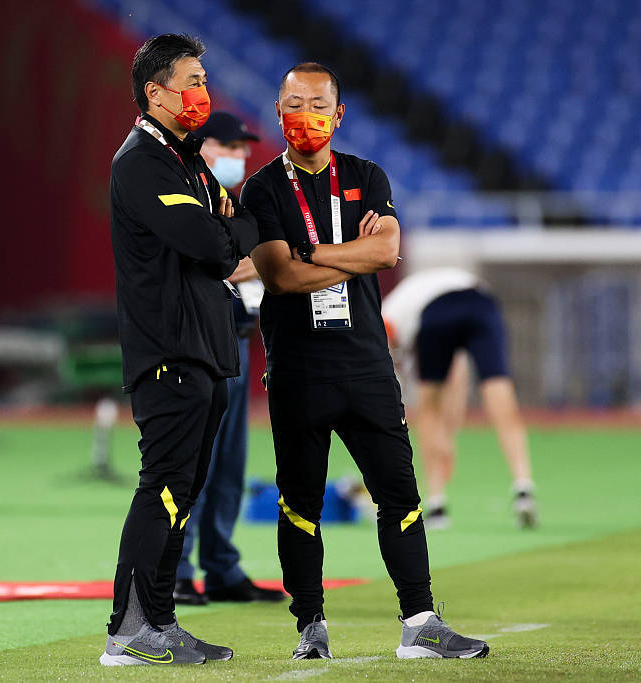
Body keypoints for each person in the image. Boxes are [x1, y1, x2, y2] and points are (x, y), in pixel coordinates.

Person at [241, 62, 489, 661]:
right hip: (298, 369)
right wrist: (350, 252)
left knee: (400, 494)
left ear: (339, 113)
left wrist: (310, 252)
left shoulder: (365, 175)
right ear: (277, 111)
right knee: (300, 504)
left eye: (318, 104)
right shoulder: (262, 189)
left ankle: (420, 623)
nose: (306, 116)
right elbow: (279, 276)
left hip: (367, 367)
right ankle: (310, 628)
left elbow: (387, 250)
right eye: (294, 104)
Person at [100, 34, 258, 667]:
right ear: (154, 92)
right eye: (192, 82)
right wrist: (230, 228)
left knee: (183, 493)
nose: (202, 93)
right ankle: (128, 631)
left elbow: (234, 224)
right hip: (169, 351)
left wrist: (228, 225)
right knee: (164, 487)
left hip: (205, 348)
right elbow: (214, 246)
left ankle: (159, 623)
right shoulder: (142, 161)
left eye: (203, 81)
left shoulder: (185, 158)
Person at [173, 112, 284, 606]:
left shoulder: (230, 202)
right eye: (230, 146)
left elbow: (246, 262)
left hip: (237, 337)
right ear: (203, 146)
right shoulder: (189, 195)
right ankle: (177, 569)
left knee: (229, 463)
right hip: (200, 339)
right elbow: (219, 262)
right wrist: (259, 261)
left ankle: (220, 566)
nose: (239, 156)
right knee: (197, 458)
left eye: (243, 148)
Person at [382, 268, 537, 530]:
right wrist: (448, 437)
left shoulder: (387, 316)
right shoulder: (418, 296)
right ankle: (524, 488)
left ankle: (436, 502)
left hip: (435, 311)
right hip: (481, 303)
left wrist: (442, 439)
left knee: (427, 406)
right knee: (498, 388)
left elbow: (396, 375)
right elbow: (457, 376)